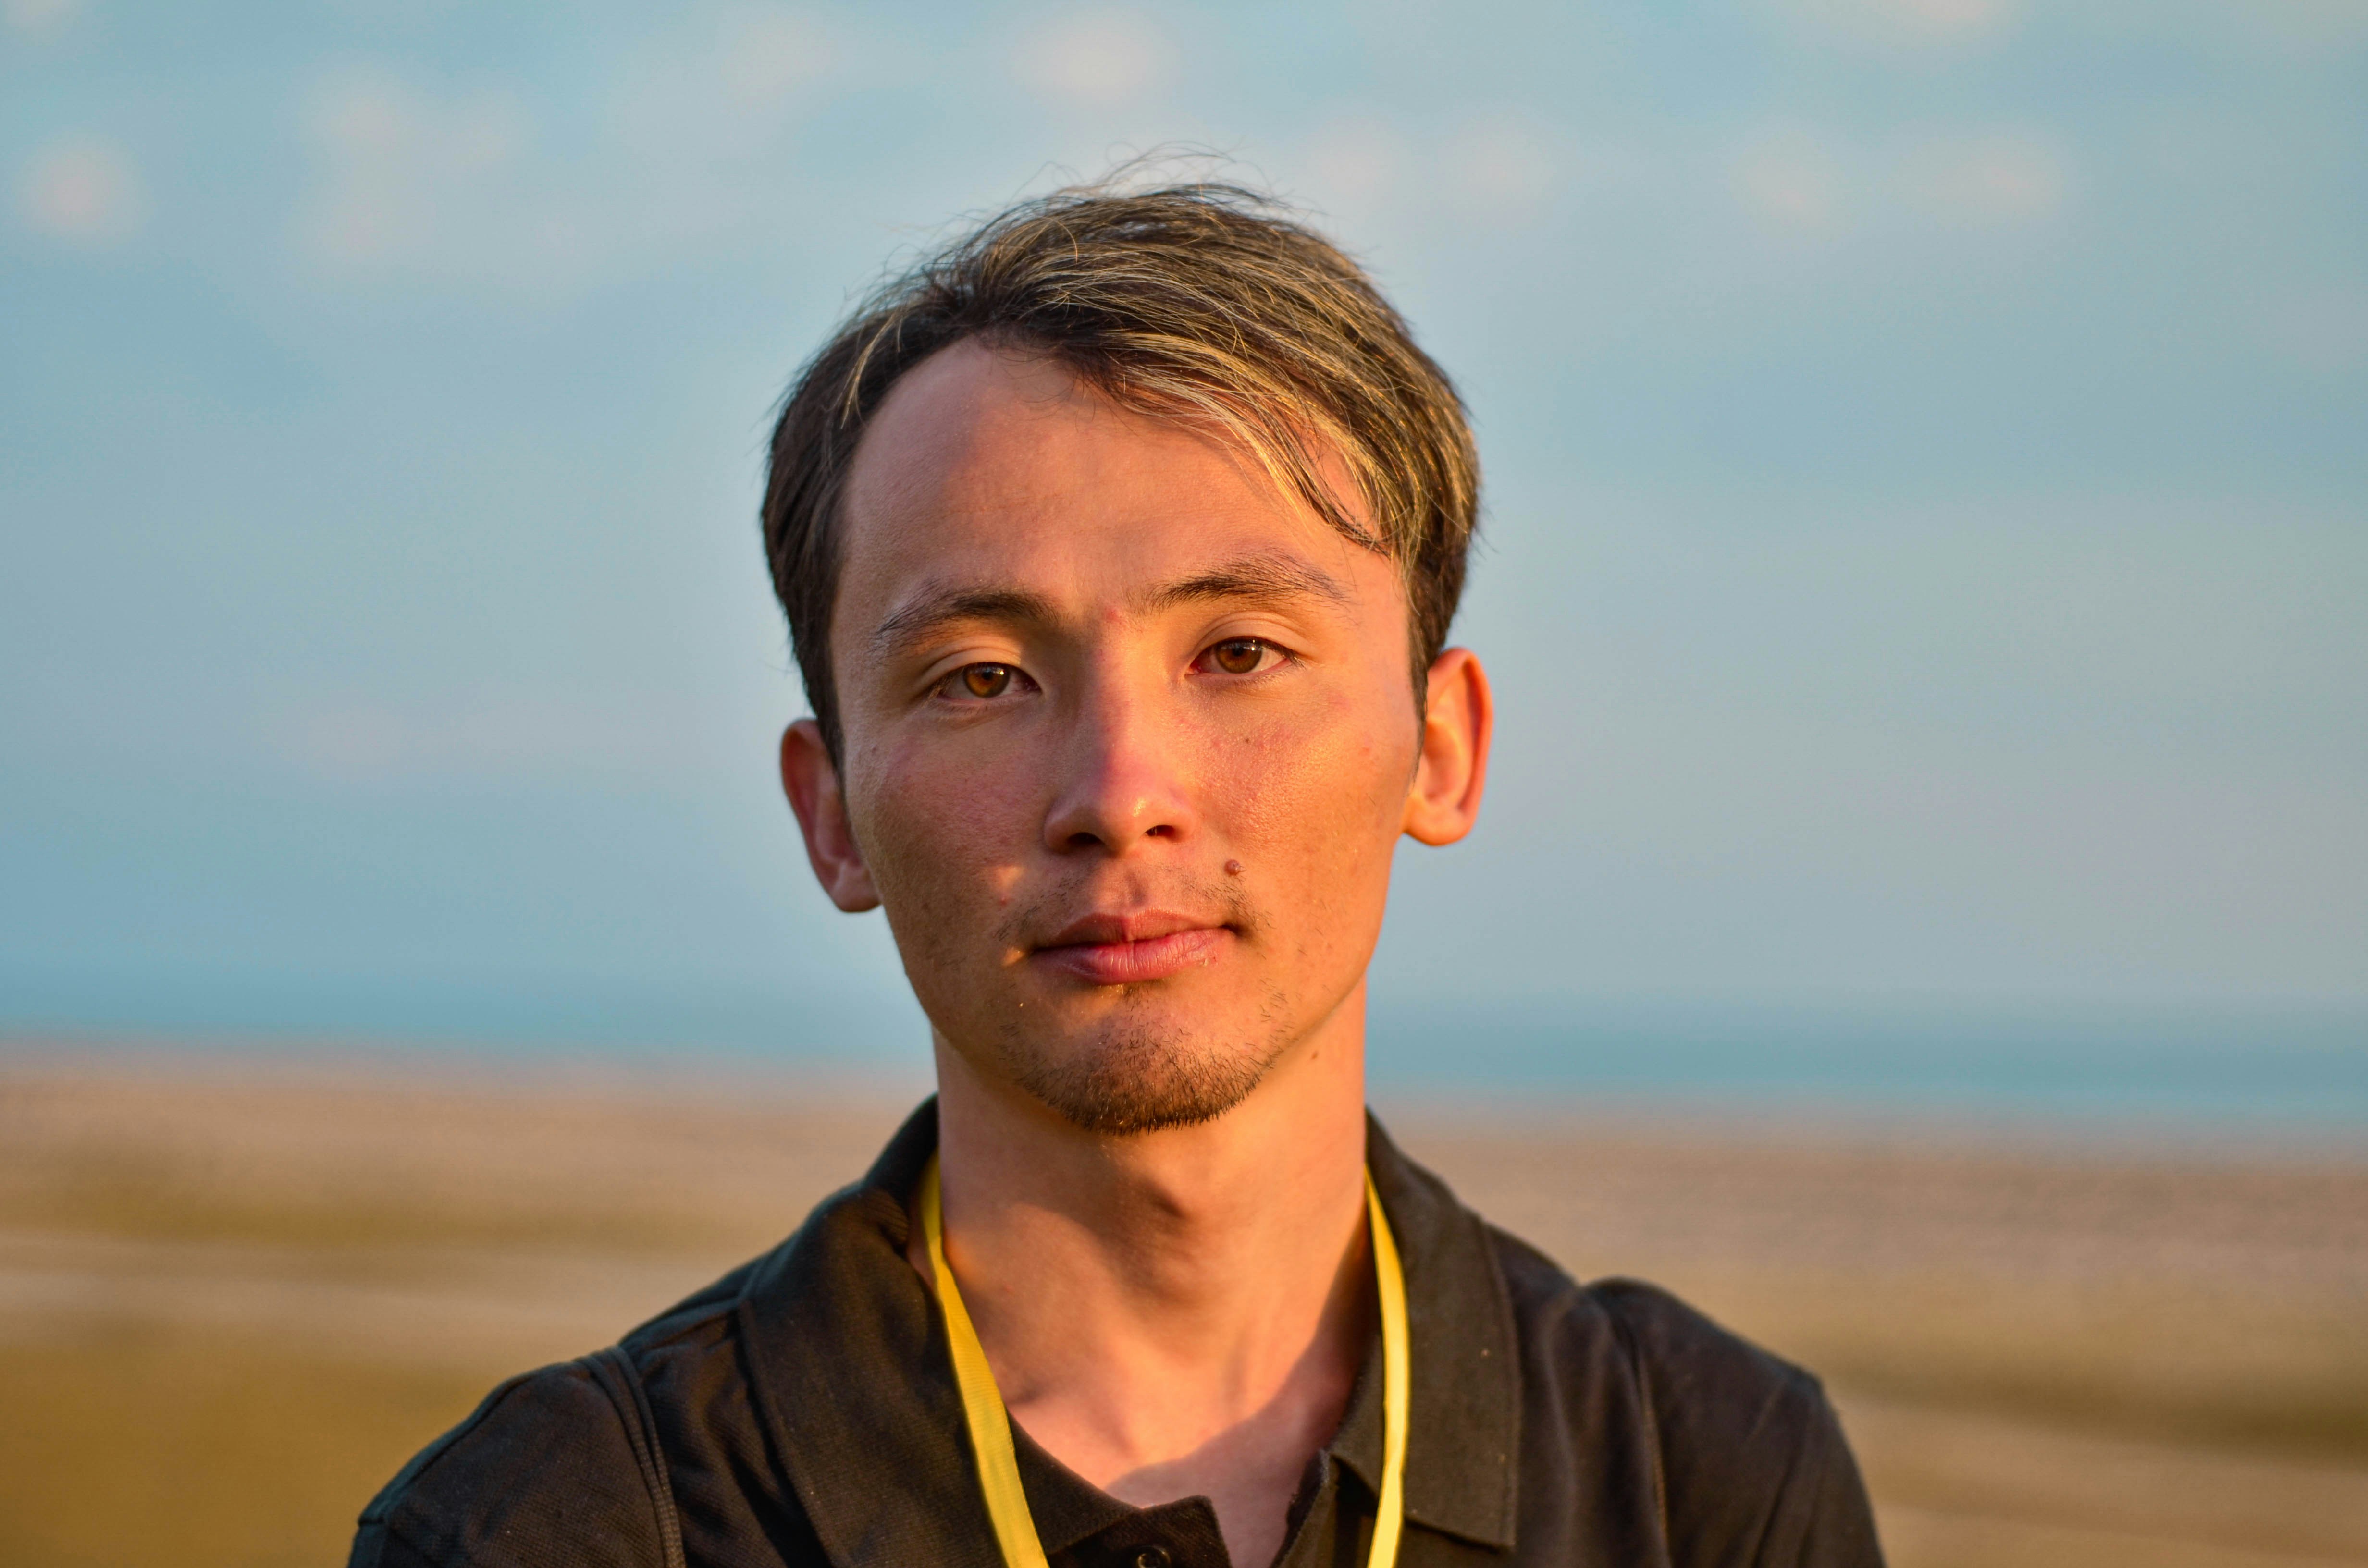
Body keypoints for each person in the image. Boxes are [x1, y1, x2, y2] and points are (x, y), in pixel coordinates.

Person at [349, 181, 1884, 1568]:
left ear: (1440, 749)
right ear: (833, 818)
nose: (1120, 795)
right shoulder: (554, 1530)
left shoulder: (1702, 1484)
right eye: (982, 678)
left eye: (1241, 652)